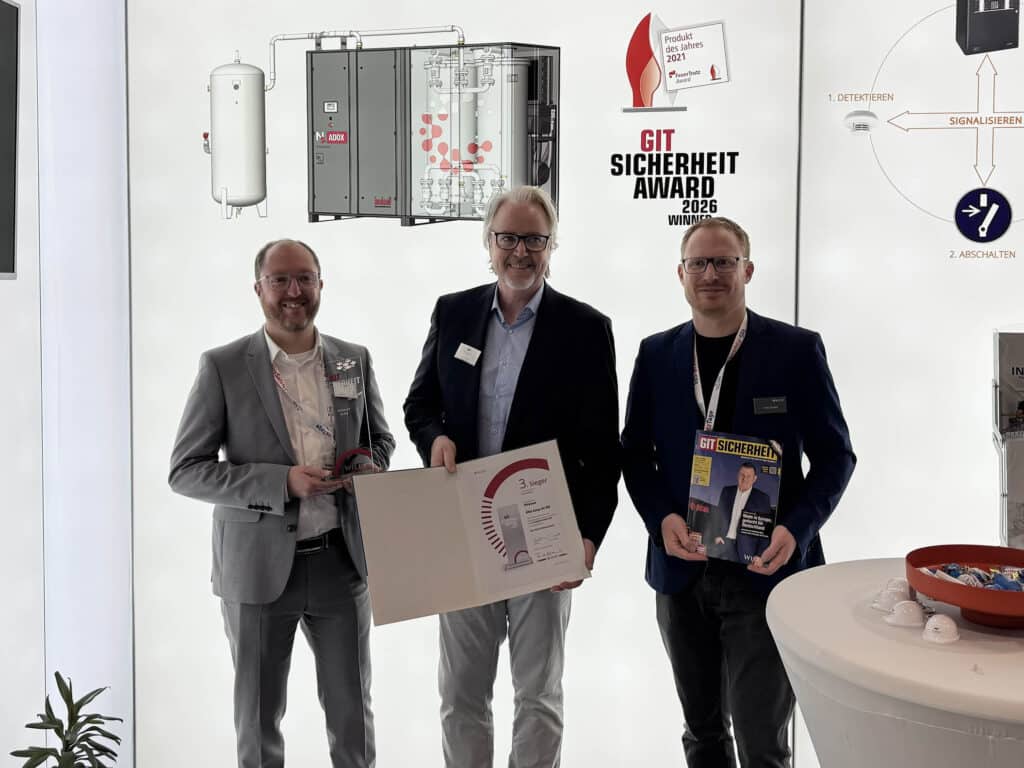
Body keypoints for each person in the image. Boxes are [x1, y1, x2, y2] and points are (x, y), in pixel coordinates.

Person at [621, 216, 855, 767]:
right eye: (698, 263)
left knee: (762, 743)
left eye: (724, 262)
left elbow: (835, 457)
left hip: (764, 574)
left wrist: (796, 530)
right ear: (680, 273)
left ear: (747, 270)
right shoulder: (655, 355)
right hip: (682, 574)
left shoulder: (796, 350)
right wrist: (661, 520)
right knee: (702, 733)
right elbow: (633, 454)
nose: (711, 274)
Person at [404, 185, 620, 768]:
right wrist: (434, 439)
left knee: (539, 696)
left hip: (545, 533)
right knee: (460, 695)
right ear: (488, 243)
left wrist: (588, 538)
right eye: (508, 238)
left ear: (552, 246)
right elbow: (420, 406)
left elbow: (603, 450)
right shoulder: (453, 312)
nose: (520, 251)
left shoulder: (585, 328)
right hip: (462, 529)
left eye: (534, 240)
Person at [169, 239, 395, 768]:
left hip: (342, 562)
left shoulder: (353, 359)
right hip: (257, 570)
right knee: (258, 719)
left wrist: (368, 464)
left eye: (305, 278)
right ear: (259, 289)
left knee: (353, 717)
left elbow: (379, 439)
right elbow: (186, 471)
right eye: (280, 280)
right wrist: (280, 483)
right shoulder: (223, 366)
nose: (294, 291)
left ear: (320, 284)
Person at [709, 462, 773, 563]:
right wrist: (716, 535)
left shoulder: (763, 498)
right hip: (723, 543)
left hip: (746, 551)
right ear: (737, 475)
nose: (744, 479)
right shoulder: (727, 491)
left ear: (754, 479)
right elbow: (717, 517)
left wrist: (760, 555)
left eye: (748, 476)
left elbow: (765, 532)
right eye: (742, 475)